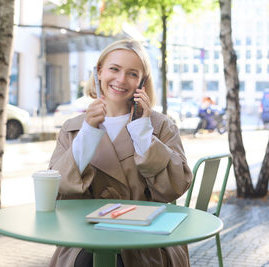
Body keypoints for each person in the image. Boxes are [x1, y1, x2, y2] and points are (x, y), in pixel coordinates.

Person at [48, 39, 193, 267]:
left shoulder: (161, 125)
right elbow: (56, 188)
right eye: (114, 69)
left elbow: (175, 187)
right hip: (83, 237)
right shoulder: (72, 128)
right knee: (88, 259)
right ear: (99, 72)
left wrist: (143, 132)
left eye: (132, 74)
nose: (121, 80)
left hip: (145, 241)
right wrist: (87, 133)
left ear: (143, 82)